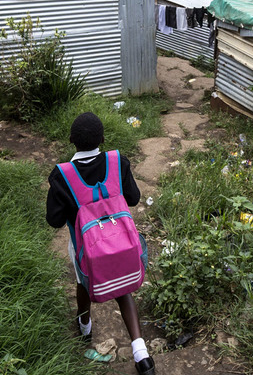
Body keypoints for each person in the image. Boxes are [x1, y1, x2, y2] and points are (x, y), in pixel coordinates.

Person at [46, 112, 156, 375]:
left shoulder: (62, 176)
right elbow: (133, 198)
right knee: (123, 288)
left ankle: (85, 326)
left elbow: (54, 220)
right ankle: (142, 355)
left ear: (71, 140)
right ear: (103, 138)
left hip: (87, 247)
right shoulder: (118, 162)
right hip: (121, 241)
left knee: (83, 281)